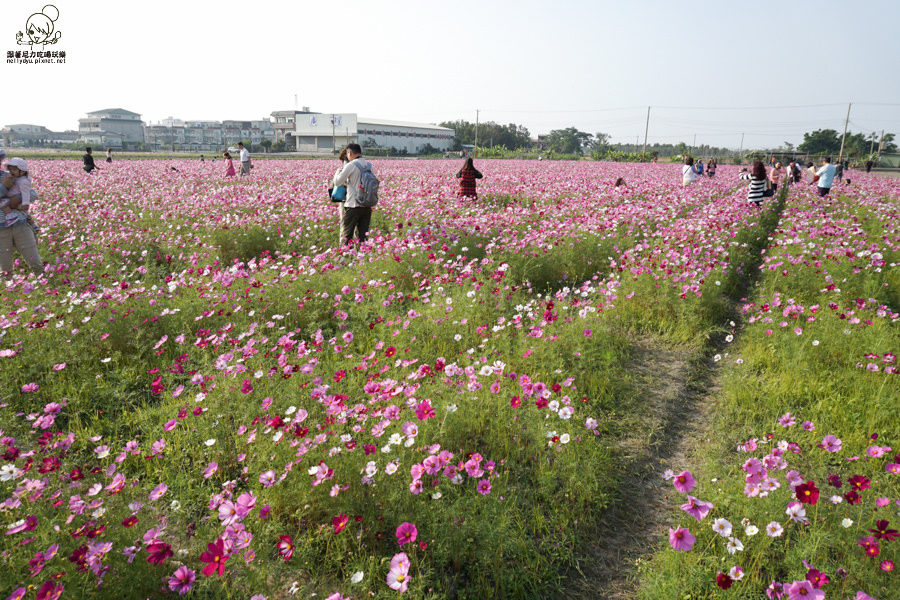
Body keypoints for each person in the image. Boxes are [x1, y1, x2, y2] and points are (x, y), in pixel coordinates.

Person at [0, 158, 44, 278]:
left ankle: (44, 286)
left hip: (21, 224)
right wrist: (3, 188)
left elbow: (33, 194)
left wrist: (17, 199)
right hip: (1, 230)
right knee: (5, 269)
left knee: (35, 261)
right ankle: (9, 292)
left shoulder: (8, 175)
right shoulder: (6, 180)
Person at [332, 143, 374, 245]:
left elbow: (337, 182)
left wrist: (337, 173)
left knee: (347, 236)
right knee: (362, 237)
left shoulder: (351, 165)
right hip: (366, 206)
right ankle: (362, 257)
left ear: (350, 153)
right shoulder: (369, 165)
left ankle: (346, 258)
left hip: (352, 205)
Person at [329, 148, 350, 245]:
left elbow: (332, 186)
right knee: (351, 225)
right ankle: (349, 248)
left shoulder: (340, 170)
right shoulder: (347, 170)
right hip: (350, 200)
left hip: (342, 200)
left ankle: (343, 247)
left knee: (344, 224)